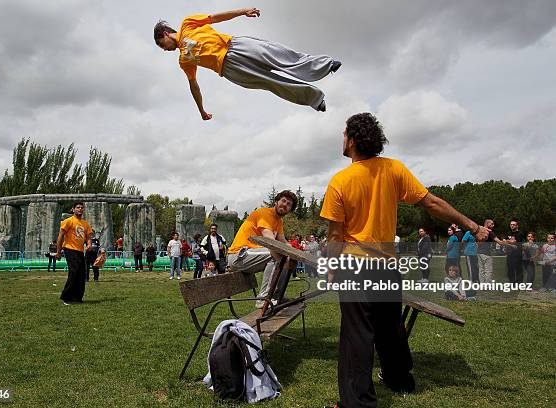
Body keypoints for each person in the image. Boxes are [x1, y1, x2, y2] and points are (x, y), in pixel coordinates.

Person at [319, 112, 488, 408]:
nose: (342, 139)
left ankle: (357, 403)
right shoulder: (394, 169)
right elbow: (432, 202)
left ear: (353, 140)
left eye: (344, 134)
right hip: (386, 267)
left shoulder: (340, 181)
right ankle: (400, 381)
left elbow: (335, 237)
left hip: (355, 267)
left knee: (357, 337)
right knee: (390, 330)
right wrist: (472, 225)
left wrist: (332, 268)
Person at [154, 8, 341, 119]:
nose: (164, 49)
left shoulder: (187, 24)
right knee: (272, 82)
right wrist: (201, 110)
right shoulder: (183, 60)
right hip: (230, 69)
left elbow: (215, 17)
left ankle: (325, 65)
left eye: (162, 45)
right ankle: (315, 99)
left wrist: (243, 11)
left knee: (279, 56)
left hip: (236, 45)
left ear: (164, 34)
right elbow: (194, 85)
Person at [227, 190, 297, 308]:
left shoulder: (279, 221)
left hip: (250, 257)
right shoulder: (264, 213)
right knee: (275, 255)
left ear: (290, 209)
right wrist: (287, 253)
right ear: (276, 201)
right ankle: (263, 299)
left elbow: (283, 242)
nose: (285, 205)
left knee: (289, 260)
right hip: (238, 256)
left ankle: (277, 297)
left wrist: (294, 254)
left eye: (289, 204)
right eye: (283, 201)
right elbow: (270, 240)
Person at [56, 202, 93, 305]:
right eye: (78, 207)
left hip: (80, 250)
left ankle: (77, 297)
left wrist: (89, 245)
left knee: (82, 274)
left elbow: (89, 237)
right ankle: (66, 297)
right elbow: (60, 236)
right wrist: (58, 252)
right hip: (69, 249)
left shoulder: (85, 224)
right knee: (74, 271)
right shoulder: (68, 221)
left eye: (82, 208)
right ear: (73, 209)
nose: (80, 209)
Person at [461, 230, 479, 299]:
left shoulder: (476, 232)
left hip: (475, 253)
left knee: (475, 268)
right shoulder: (468, 232)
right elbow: (463, 240)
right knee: (471, 268)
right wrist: (462, 248)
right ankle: (471, 283)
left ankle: (476, 282)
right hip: (469, 253)